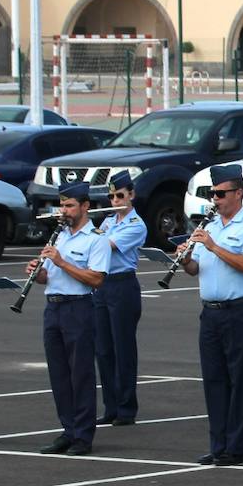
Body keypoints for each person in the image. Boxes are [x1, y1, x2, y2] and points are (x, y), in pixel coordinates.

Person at [180, 164, 243, 466]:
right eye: (212, 194)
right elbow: (195, 270)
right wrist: (186, 258)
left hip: (240, 311)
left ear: (239, 194)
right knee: (214, 380)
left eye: (220, 193)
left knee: (239, 380)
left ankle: (235, 447)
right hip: (211, 313)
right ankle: (218, 445)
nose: (215, 199)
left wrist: (214, 246)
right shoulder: (210, 226)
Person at [32, 181, 110, 456]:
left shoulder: (96, 238)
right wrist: (38, 272)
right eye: (61, 205)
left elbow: (96, 279)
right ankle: (68, 430)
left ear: (85, 206)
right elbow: (49, 277)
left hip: (79, 308)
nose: (63, 210)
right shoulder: (59, 235)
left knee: (81, 374)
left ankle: (83, 436)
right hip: (53, 307)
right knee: (59, 374)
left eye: (69, 205)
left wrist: (62, 261)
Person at [93, 170, 146, 427]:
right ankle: (111, 406)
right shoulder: (107, 222)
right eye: (112, 196)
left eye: (120, 195)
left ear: (131, 194)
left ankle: (127, 408)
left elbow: (104, 246)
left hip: (123, 285)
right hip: (102, 286)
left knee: (123, 348)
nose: (115, 201)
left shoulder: (136, 225)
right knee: (103, 349)